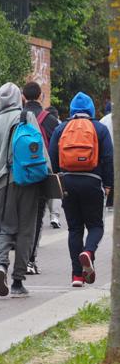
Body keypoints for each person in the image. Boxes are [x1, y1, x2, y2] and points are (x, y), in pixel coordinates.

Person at [0, 82, 51, 298]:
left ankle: (1, 265)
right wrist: (48, 176)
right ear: (18, 98)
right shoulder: (27, 117)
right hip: (28, 182)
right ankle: (18, 282)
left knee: (5, 228)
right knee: (26, 231)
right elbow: (40, 150)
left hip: (2, 184)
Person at [48, 92, 114, 287]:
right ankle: (89, 251)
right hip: (93, 181)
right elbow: (109, 159)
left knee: (74, 228)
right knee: (96, 226)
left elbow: (52, 159)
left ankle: (77, 276)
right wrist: (109, 184)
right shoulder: (100, 129)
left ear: (72, 110)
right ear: (91, 110)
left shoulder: (61, 129)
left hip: (68, 183)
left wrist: (59, 182)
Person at [21, 81, 61, 275]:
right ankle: (30, 260)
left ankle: (14, 258)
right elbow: (56, 150)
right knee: (37, 217)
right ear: (40, 96)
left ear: (23, 97)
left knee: (20, 217)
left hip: (18, 174)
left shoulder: (17, 117)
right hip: (42, 175)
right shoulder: (50, 120)